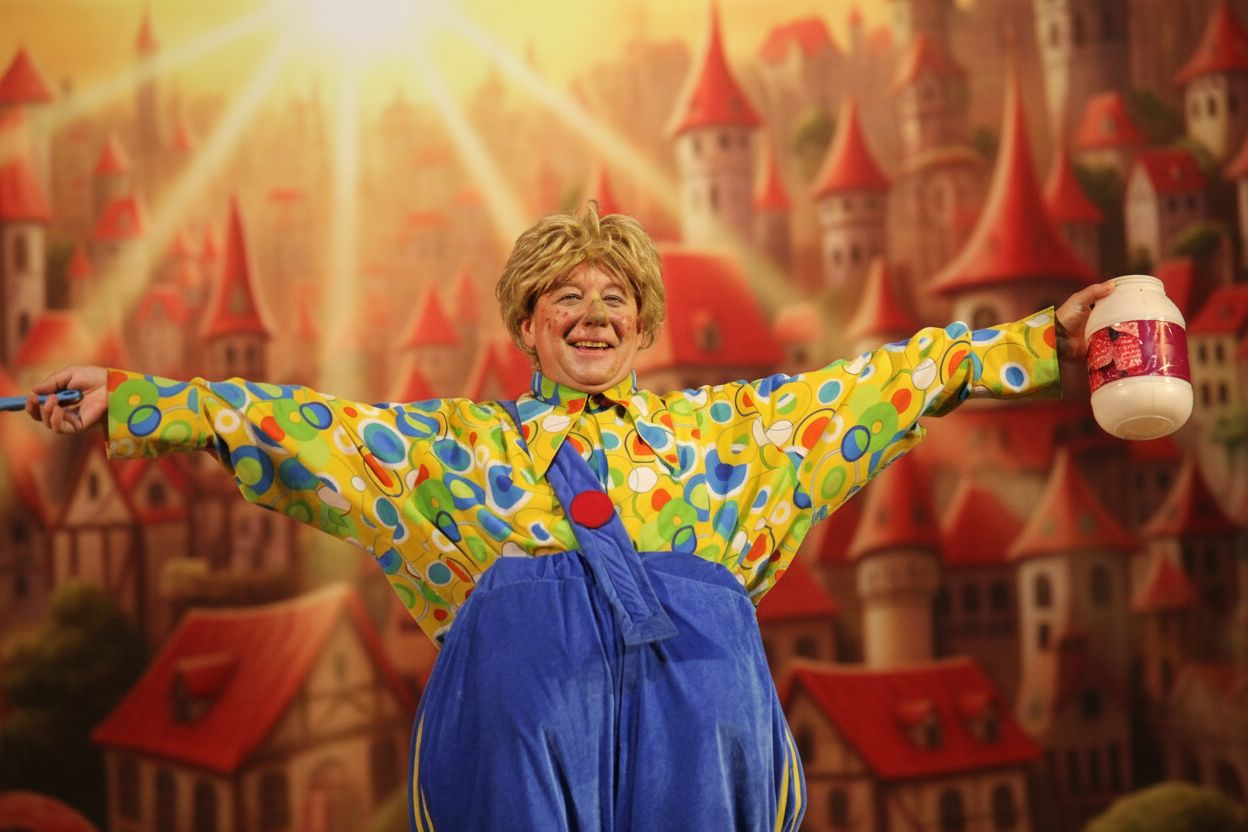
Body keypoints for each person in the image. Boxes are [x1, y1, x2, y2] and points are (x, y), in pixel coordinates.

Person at [28, 202, 1111, 831]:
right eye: (566, 299)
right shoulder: (455, 454)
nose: (593, 316)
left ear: (642, 329)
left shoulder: (726, 442)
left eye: (614, 300)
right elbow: (301, 430)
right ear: (527, 328)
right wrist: (131, 399)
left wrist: (1039, 341)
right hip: (524, 783)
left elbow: (884, 385)